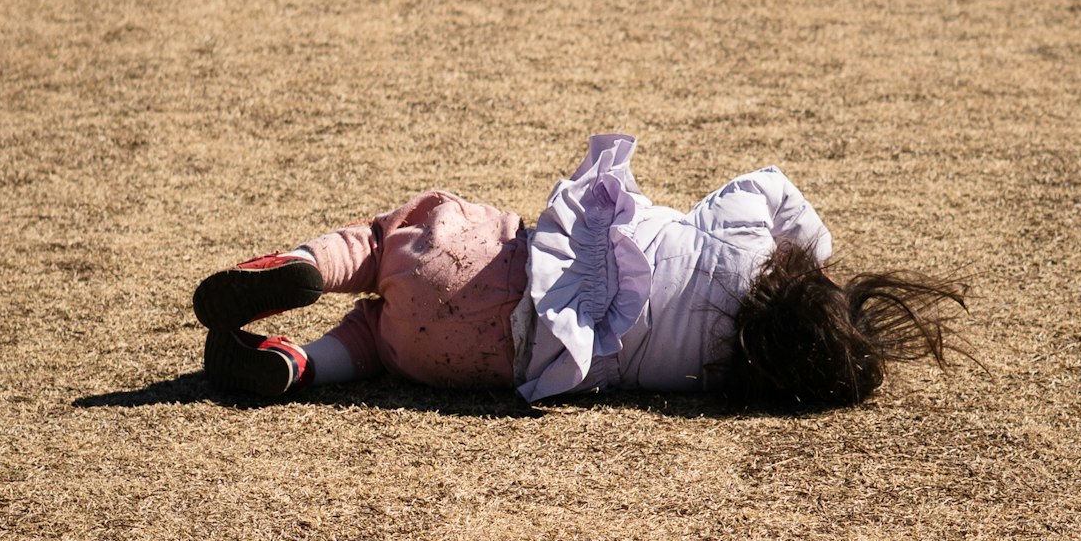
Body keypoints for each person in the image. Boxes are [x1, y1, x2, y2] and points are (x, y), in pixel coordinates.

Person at [192, 134, 965, 412]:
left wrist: (818, 254)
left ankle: (303, 265)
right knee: (380, 343)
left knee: (383, 243)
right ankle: (301, 365)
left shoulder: (744, 239)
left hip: (500, 263)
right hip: (493, 362)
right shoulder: (721, 377)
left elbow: (769, 183)